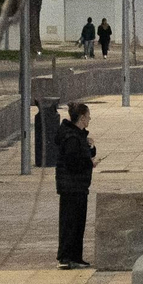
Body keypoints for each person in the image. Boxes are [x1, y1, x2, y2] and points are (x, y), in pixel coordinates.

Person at [55, 101, 97, 269]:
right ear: (81, 118)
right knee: (70, 222)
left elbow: (83, 154)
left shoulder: (78, 135)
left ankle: (76, 256)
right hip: (71, 186)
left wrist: (91, 148)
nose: (89, 119)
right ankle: (65, 257)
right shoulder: (72, 137)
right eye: (87, 117)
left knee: (78, 222)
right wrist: (90, 164)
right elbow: (73, 162)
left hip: (78, 186)